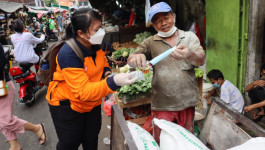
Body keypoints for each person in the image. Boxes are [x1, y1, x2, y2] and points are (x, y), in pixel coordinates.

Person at [46, 8, 136, 150]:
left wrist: (107, 75)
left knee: (91, 137)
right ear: (81, 33)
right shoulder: (68, 53)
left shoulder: (96, 44)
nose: (101, 32)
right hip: (68, 104)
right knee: (70, 142)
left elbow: (104, 63)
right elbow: (82, 92)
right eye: (96, 29)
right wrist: (113, 82)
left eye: (100, 27)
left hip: (92, 102)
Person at [127, 2, 206, 144]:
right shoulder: (150, 42)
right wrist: (136, 58)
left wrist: (189, 54)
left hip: (186, 102)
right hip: (162, 104)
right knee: (162, 141)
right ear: (153, 25)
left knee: (184, 142)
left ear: (174, 17)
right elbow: (131, 58)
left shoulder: (188, 37)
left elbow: (201, 60)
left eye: (166, 17)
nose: (163, 23)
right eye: (157, 20)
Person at [0, 43, 46, 150]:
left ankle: (36, 128)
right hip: (24, 60)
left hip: (2, 86)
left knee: (5, 120)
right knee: (3, 120)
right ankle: (14, 145)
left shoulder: (16, 37)